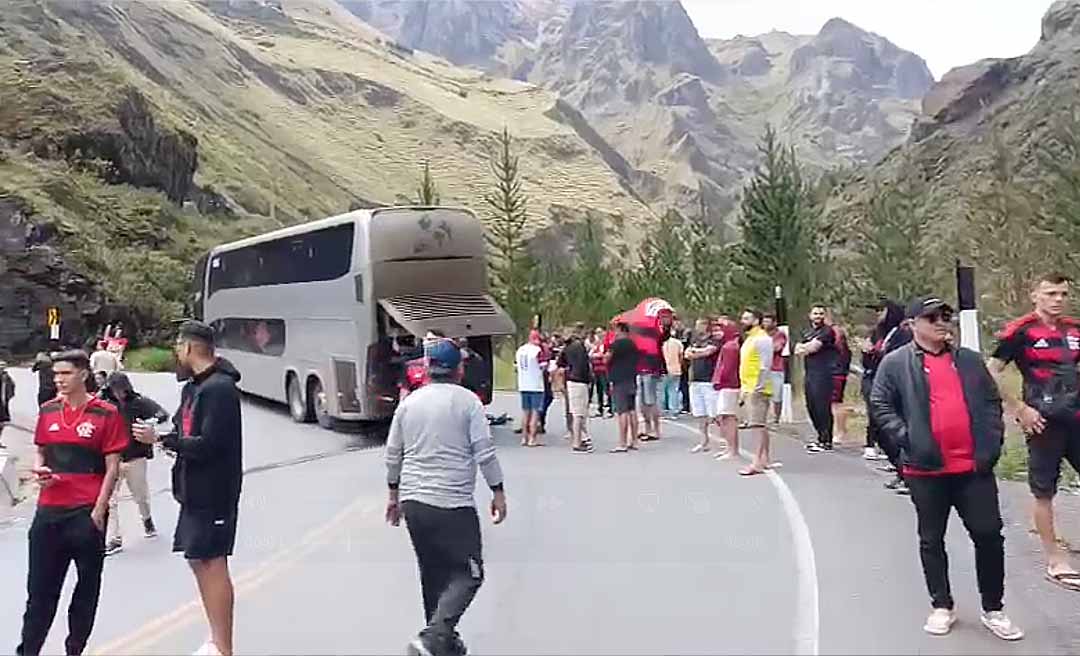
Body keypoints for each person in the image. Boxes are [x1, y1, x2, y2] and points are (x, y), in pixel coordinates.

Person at [871, 296, 1022, 641]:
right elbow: (880, 405)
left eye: (946, 316)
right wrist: (907, 438)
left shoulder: (968, 361)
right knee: (931, 538)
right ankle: (942, 604)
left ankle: (993, 608)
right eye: (932, 317)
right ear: (912, 324)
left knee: (988, 535)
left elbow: (989, 401)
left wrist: (991, 444)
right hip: (925, 470)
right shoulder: (896, 363)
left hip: (973, 467)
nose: (942, 322)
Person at [385, 339, 507, 656]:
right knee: (470, 573)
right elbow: (485, 452)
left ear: (426, 367)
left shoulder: (409, 404)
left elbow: (393, 453)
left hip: (413, 503)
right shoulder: (468, 403)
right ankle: (433, 637)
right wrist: (497, 490)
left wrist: (393, 495)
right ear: (459, 368)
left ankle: (440, 642)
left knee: (433, 573)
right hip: (452, 504)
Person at [133, 321, 243, 656]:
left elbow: (210, 444)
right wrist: (162, 434)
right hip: (191, 491)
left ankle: (224, 647)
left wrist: (164, 440)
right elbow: (181, 428)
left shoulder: (220, 390)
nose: (175, 356)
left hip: (215, 491)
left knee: (213, 561)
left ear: (190, 348)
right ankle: (214, 638)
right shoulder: (193, 389)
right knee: (197, 559)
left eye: (177, 349)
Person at [17, 350, 127, 656]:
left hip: (86, 512)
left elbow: (113, 465)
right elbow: (41, 450)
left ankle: (74, 649)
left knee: (86, 590)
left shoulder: (106, 413)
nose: (59, 380)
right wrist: (41, 470)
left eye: (65, 374)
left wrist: (99, 510)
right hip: (50, 511)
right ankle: (28, 650)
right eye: (55, 375)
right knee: (39, 593)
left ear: (83, 374)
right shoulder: (49, 410)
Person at [988, 273, 1080, 592]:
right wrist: (1019, 409)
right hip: (1044, 422)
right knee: (1045, 490)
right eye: (1050, 293)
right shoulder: (1021, 331)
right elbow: (992, 371)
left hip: (1076, 418)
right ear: (1035, 296)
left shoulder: (1073, 330)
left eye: (1063, 293)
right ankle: (1054, 558)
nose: (1057, 299)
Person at [100, 372, 169, 556]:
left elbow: (162, 414)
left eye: (121, 390)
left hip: (135, 456)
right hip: (113, 459)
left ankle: (147, 519)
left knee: (140, 495)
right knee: (110, 499)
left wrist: (148, 423)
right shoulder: (105, 405)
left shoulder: (138, 403)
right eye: (114, 390)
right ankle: (114, 538)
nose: (118, 394)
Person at [859, 300, 913, 494]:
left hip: (893, 387)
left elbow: (897, 359)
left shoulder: (903, 334)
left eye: (882, 310)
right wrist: (867, 352)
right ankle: (901, 472)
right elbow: (867, 361)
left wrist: (877, 352)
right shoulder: (877, 333)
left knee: (893, 429)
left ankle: (909, 474)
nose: (878, 314)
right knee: (880, 430)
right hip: (874, 382)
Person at [737, 310, 776, 476]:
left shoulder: (762, 339)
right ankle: (764, 459)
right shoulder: (750, 339)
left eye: (747, 318)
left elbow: (765, 364)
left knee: (756, 426)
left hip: (757, 388)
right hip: (749, 386)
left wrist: (758, 386)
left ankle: (757, 462)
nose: (743, 321)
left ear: (757, 320)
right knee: (759, 425)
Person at [794, 305, 838, 452]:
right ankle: (819, 437)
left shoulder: (827, 331)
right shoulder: (807, 331)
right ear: (810, 315)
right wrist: (805, 347)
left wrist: (805, 347)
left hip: (824, 373)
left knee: (822, 406)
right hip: (810, 373)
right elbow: (797, 350)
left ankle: (826, 440)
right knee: (811, 406)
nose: (818, 316)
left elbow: (812, 348)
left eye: (821, 313)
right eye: (815, 313)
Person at [637, 309, 673, 442]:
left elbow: (664, 335)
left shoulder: (655, 333)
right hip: (640, 369)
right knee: (642, 402)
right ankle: (647, 428)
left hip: (652, 368)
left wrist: (666, 324)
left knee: (650, 400)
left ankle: (656, 430)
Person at [684, 319, 719, 453]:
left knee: (714, 413)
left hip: (708, 380)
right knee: (700, 413)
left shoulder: (714, 340)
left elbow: (708, 351)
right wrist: (694, 352)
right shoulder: (695, 340)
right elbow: (687, 354)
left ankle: (723, 441)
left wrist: (695, 352)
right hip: (695, 379)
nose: (698, 327)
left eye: (701, 324)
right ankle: (704, 441)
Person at [557, 323, 593, 453]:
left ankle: (580, 437)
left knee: (575, 411)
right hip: (580, 380)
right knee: (579, 414)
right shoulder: (579, 347)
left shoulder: (566, 348)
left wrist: (561, 382)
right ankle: (577, 441)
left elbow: (560, 365)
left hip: (571, 380)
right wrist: (589, 379)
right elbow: (584, 365)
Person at [606, 322, 640, 452]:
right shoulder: (633, 344)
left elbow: (607, 358)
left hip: (619, 379)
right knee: (632, 410)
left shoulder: (616, 345)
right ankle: (635, 440)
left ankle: (622, 442)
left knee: (622, 412)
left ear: (620, 330)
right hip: (631, 377)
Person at [712, 318, 741, 461]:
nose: (716, 334)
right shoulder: (729, 345)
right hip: (727, 385)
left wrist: (719, 380)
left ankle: (732, 449)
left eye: (719, 330)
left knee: (728, 417)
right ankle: (730, 448)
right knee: (724, 417)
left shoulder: (730, 347)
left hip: (729, 385)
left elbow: (727, 369)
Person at [515, 331, 547, 448]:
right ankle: (532, 438)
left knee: (525, 412)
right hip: (536, 385)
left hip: (523, 383)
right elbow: (543, 366)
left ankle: (524, 437)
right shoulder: (537, 351)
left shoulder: (520, 350)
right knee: (535, 412)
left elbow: (516, 366)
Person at [828, 315, 852, 444]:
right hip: (837, 372)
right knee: (833, 403)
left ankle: (841, 431)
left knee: (836, 403)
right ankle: (837, 431)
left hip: (836, 372)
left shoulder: (836, 337)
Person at [762, 314, 787, 423]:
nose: (765, 324)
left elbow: (777, 347)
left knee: (777, 395)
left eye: (768, 322)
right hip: (762, 368)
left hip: (776, 368)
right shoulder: (761, 334)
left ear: (774, 323)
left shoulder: (779, 334)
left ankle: (776, 418)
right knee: (762, 394)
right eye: (764, 322)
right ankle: (763, 416)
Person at [661, 330, 684, 420]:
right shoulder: (678, 343)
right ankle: (673, 411)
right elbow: (681, 356)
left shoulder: (660, 344)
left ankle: (662, 411)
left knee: (661, 391)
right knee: (674, 390)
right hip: (676, 369)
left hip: (663, 370)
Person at [589, 327, 610, 418]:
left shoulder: (606, 344)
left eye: (600, 332)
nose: (598, 334)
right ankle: (600, 408)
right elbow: (590, 355)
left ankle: (610, 408)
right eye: (597, 332)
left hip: (604, 370)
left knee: (607, 389)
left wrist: (596, 355)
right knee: (598, 390)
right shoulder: (596, 345)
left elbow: (603, 355)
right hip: (596, 369)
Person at [0, 360, 14, 449]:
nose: (1, 368)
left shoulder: (6, 377)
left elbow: (11, 387)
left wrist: (8, 397)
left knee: (2, 423)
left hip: (3, 403)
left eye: (3, 367)